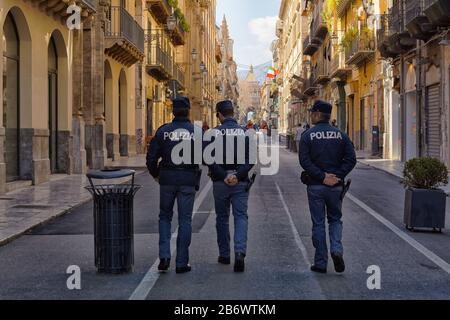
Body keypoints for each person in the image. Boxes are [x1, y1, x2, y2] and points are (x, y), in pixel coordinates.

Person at [299, 100, 356, 274]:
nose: (310, 115)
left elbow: (304, 161)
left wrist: (322, 176)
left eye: (311, 113)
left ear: (316, 114)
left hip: (316, 186)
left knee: (318, 223)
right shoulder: (341, 135)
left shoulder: (307, 135)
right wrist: (336, 176)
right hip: (336, 187)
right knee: (335, 220)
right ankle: (336, 250)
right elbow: (351, 159)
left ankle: (321, 263)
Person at [146, 97, 201, 274]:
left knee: (164, 217)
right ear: (188, 111)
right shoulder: (196, 132)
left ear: (173, 111)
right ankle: (181, 263)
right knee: (185, 220)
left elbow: (151, 158)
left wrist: (156, 174)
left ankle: (164, 257)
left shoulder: (163, 131)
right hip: (188, 179)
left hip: (167, 179)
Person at [206, 100, 255, 272]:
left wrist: (223, 175)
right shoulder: (245, 133)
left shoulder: (213, 133)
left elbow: (208, 159)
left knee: (222, 218)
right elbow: (251, 160)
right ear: (232, 113)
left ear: (219, 114)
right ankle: (240, 252)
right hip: (240, 182)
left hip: (220, 182)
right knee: (241, 217)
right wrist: (237, 175)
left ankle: (225, 255)